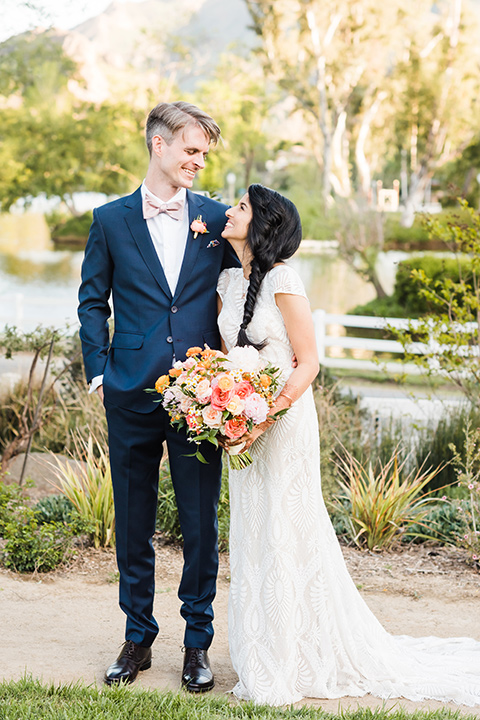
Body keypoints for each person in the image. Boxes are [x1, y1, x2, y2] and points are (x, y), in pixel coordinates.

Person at [216, 183, 480, 707]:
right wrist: (224, 415)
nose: (228, 211)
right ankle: (264, 650)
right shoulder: (225, 281)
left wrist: (265, 415)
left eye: (241, 207)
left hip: (284, 420)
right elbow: (230, 362)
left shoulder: (285, 280)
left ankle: (300, 656)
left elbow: (309, 361)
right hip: (241, 424)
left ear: (264, 223)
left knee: (289, 527)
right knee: (253, 529)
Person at [78, 101, 239, 692]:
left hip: (202, 399)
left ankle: (198, 643)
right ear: (158, 145)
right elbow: (92, 301)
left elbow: (256, 276)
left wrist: (240, 371)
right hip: (129, 393)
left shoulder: (219, 219)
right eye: (191, 150)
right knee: (133, 520)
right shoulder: (110, 220)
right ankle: (137, 638)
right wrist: (100, 371)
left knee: (200, 524)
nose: (199, 162)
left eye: (203, 153)